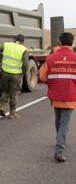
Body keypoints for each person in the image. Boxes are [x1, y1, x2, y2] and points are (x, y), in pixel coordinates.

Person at [39, 32, 76, 162]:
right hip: (70, 96)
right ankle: (59, 150)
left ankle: (59, 140)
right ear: (72, 43)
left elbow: (42, 76)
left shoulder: (51, 58)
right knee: (64, 123)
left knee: (58, 119)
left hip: (55, 94)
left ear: (60, 43)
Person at [0, 34, 28, 119]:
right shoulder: (23, 49)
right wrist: (22, 72)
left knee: (4, 91)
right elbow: (25, 64)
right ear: (23, 41)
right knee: (14, 93)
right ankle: (12, 114)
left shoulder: (7, 45)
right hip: (16, 74)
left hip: (5, 72)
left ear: (15, 39)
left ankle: (2, 108)